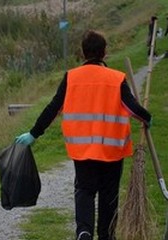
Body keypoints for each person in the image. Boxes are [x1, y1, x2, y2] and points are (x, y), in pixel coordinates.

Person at [15, 30, 152, 240]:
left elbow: (53, 108)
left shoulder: (71, 77)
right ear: (104, 53)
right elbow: (133, 108)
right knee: (109, 196)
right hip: (112, 152)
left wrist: (34, 134)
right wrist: (147, 118)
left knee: (85, 191)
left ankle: (84, 232)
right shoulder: (116, 79)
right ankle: (106, 235)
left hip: (83, 151)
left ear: (83, 52)